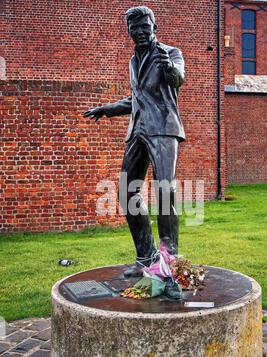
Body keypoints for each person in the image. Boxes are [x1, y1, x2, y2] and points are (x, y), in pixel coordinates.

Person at [84, 6, 185, 298]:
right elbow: (136, 98)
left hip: (164, 130)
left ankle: (168, 269)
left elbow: (178, 79)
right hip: (138, 131)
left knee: (166, 194)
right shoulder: (133, 60)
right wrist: (108, 109)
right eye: (134, 28)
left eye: (144, 26)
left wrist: (168, 67)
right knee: (127, 192)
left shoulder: (171, 52)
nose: (139, 32)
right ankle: (146, 257)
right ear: (129, 31)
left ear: (154, 26)